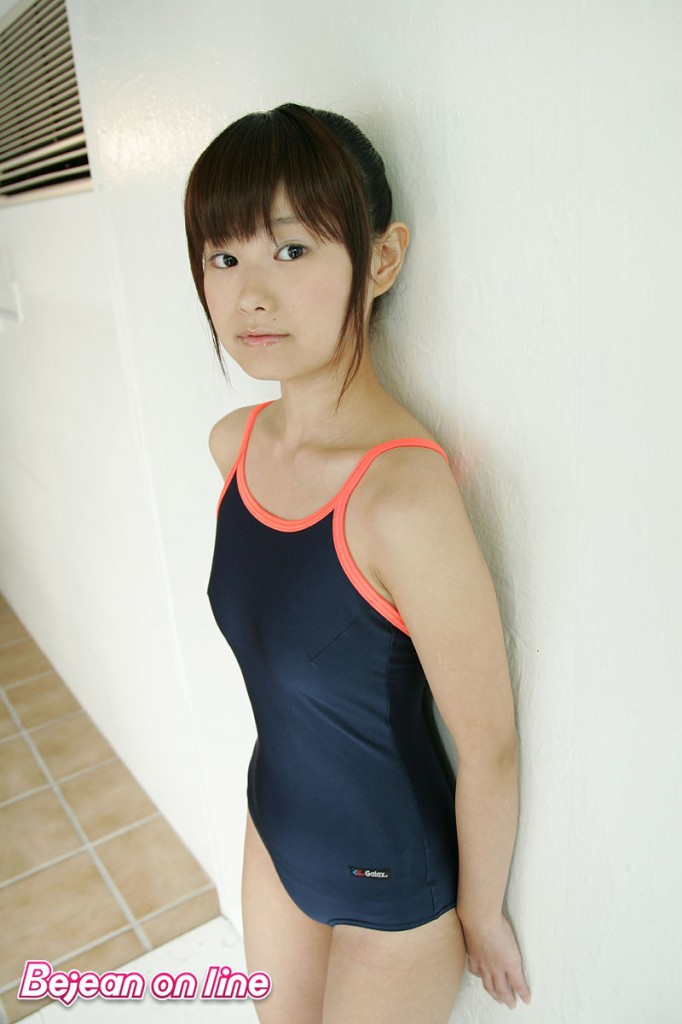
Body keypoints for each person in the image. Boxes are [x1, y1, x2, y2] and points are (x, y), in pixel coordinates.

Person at [185, 102, 531, 1024]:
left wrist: (482, 912)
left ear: (381, 259)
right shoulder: (233, 446)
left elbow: (489, 744)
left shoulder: (402, 500)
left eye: (291, 249)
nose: (249, 295)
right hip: (273, 832)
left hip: (394, 894)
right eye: (223, 257)